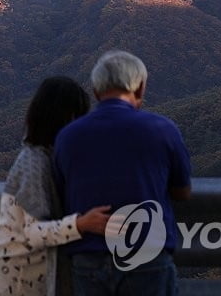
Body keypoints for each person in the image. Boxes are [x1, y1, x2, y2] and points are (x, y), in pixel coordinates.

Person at [53, 51, 191, 296]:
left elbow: (61, 194)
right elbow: (182, 190)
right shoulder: (163, 130)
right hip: (145, 256)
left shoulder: (67, 137)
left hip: (88, 260)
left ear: (96, 92)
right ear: (139, 89)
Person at [0, 76, 112, 296]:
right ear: (65, 118)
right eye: (78, 117)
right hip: (14, 281)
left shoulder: (45, 157)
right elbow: (32, 232)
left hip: (19, 279)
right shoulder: (34, 163)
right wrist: (81, 224)